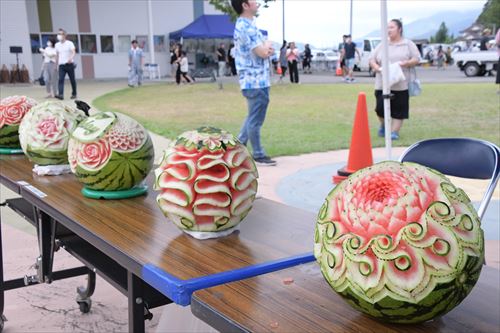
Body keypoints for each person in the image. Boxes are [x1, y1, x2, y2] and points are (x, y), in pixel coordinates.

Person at [231, 0, 276, 166]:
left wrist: (266, 47)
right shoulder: (246, 27)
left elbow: (264, 51)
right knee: (255, 120)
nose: (256, 2)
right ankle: (258, 153)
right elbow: (264, 52)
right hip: (255, 80)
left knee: (252, 117)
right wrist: (267, 44)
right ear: (244, 5)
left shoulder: (247, 25)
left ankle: (238, 147)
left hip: (255, 80)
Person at [369, 18, 420, 140]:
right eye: (387, 27)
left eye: (391, 27)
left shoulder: (407, 44)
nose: (388, 30)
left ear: (399, 29)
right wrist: (377, 68)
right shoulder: (383, 44)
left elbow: (416, 59)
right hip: (382, 83)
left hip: (401, 83)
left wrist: (405, 63)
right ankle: (383, 124)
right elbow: (372, 59)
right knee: (380, 108)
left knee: (399, 109)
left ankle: (394, 132)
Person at [55, 28, 77, 100]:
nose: (59, 35)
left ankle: (74, 93)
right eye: (58, 34)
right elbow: (57, 55)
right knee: (60, 79)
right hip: (61, 65)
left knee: (72, 80)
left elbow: (73, 51)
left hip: (69, 64)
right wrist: (56, 65)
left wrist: (71, 58)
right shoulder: (57, 45)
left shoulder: (69, 43)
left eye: (61, 34)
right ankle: (61, 94)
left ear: (65, 35)